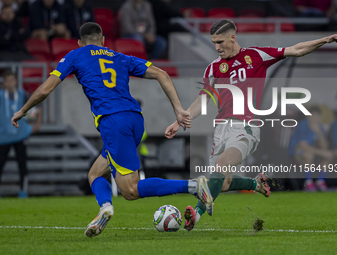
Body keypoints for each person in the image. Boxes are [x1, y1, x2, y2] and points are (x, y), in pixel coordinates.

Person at [11, 22, 213, 237]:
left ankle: (193, 186)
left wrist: (23, 110)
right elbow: (162, 74)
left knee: (131, 190)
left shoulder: (75, 55)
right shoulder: (120, 57)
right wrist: (179, 110)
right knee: (96, 173)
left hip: (113, 122)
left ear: (80, 42)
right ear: (103, 40)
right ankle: (105, 207)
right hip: (135, 119)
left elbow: (44, 89)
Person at [165, 19, 337, 231]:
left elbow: (296, 50)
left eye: (220, 41)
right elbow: (203, 101)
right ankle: (256, 183)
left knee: (220, 168)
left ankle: (196, 213)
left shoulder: (256, 56)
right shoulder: (213, 68)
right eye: (213, 43)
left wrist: (325, 40)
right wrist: (179, 120)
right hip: (221, 129)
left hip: (246, 128)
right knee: (223, 182)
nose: (217, 47)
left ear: (233, 37)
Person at [0, 70, 42, 198]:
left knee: (22, 164)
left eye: (12, 80)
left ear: (16, 81)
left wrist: (35, 124)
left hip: (20, 135)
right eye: (8, 81)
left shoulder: (23, 95)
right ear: (4, 83)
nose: (10, 83)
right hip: (4, 136)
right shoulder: (1, 96)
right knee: (0, 164)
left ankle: (23, 191)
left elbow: (35, 108)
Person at [288, 106, 333, 191]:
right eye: (312, 115)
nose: (315, 118)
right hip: (296, 151)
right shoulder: (303, 124)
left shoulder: (320, 127)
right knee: (309, 155)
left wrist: (319, 132)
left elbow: (325, 147)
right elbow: (303, 145)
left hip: (312, 151)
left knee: (328, 156)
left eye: (317, 116)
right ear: (308, 116)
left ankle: (320, 182)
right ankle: (308, 183)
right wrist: (321, 153)